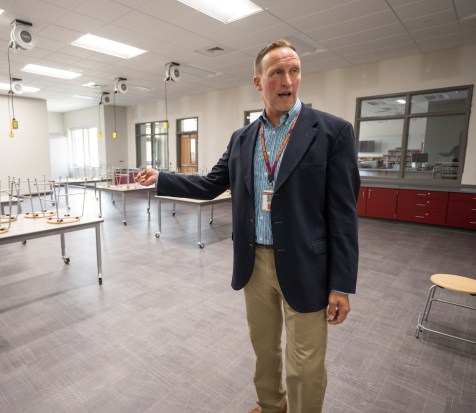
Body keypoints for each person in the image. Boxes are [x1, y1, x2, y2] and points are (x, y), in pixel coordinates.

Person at [135, 39, 360, 413]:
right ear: (259, 83)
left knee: (304, 363)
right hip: (254, 263)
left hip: (308, 265)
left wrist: (342, 284)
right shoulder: (242, 139)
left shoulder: (332, 132)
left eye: (294, 70)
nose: (288, 80)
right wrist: (162, 177)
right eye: (277, 72)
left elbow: (343, 214)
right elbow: (210, 183)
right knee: (264, 346)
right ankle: (271, 405)